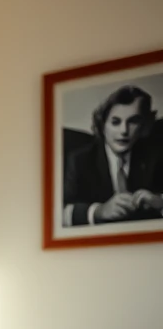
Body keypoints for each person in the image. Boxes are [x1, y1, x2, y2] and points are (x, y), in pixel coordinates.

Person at [63, 84, 163, 226]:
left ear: (144, 125)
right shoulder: (80, 160)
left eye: (133, 121)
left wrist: (160, 202)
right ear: (102, 125)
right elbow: (58, 212)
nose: (124, 130)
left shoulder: (155, 155)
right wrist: (99, 211)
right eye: (115, 122)